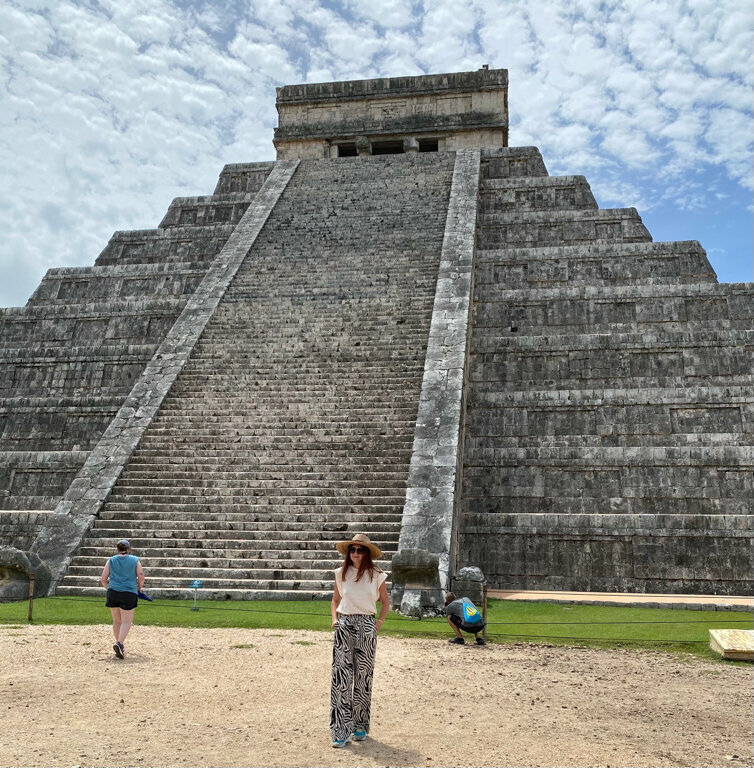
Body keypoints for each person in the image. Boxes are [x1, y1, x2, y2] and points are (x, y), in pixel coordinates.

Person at [330, 533, 389, 748]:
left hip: (366, 625)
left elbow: (385, 601)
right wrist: (335, 619)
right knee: (341, 678)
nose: (355, 553)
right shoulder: (340, 573)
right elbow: (335, 599)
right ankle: (340, 730)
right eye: (352, 549)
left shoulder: (376, 575)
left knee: (363, 677)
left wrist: (379, 622)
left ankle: (359, 725)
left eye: (360, 549)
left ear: (367, 553)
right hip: (344, 625)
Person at [99, 539, 144, 659]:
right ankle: (119, 643)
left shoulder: (111, 560)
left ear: (117, 549)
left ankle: (120, 645)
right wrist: (139, 588)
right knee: (126, 621)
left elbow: (103, 579)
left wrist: (108, 588)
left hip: (113, 591)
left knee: (116, 621)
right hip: (128, 592)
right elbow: (141, 576)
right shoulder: (135, 560)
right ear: (128, 549)